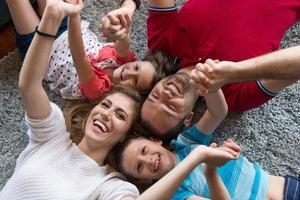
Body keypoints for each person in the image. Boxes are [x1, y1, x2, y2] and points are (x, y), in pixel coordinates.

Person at [0, 1, 239, 199]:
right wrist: (51, 16)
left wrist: (197, 157)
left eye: (120, 115)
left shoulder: (110, 185)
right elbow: (29, 86)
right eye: (106, 105)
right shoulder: (53, 136)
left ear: (126, 135)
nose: (106, 113)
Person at [101, 0, 300, 136]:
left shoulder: (162, 44)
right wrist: (235, 72)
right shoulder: (235, 98)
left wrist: (128, 7)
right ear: (188, 118)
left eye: (155, 96)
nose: (167, 94)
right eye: (171, 107)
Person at [109, 90, 298, 199]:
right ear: (143, 181)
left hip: (286, 187)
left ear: (155, 141)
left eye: (144, 150)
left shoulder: (184, 143)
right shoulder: (175, 194)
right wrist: (210, 172)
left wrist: (211, 87)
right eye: (140, 166)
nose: (148, 159)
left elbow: (218, 112)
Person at [6, 0, 174, 100]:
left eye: (134, 81)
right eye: (136, 68)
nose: (129, 72)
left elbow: (79, 57)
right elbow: (123, 40)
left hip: (41, 49)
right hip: (66, 26)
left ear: (133, 94)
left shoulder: (99, 91)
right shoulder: (125, 61)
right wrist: (122, 26)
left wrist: (75, 14)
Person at [189, 46, 300, 95]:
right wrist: (231, 73)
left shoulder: (172, 41)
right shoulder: (233, 95)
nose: (170, 94)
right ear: (188, 118)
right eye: (172, 108)